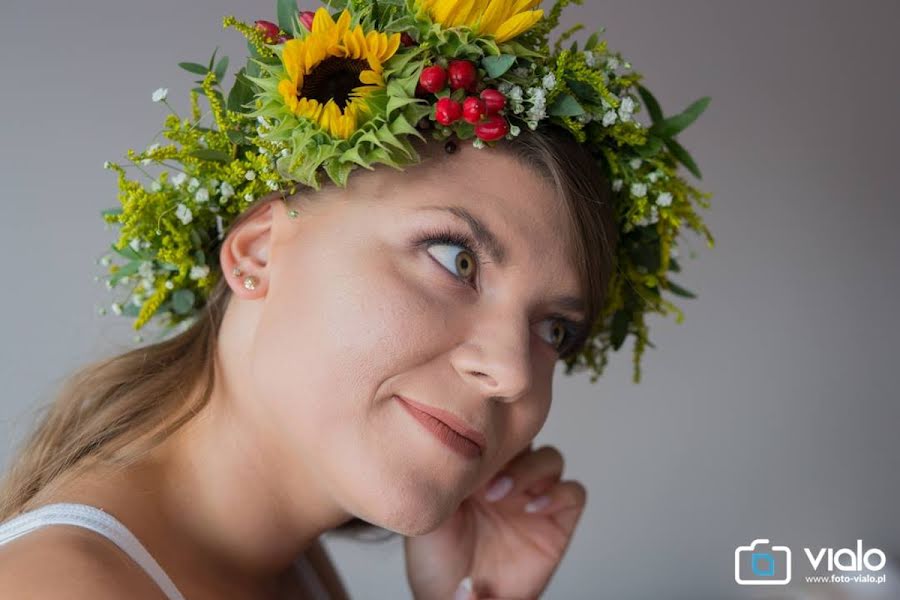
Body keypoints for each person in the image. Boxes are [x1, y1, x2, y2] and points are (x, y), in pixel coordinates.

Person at [0, 1, 713, 598]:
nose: (516, 374)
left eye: (554, 331)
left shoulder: (283, 567)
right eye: (455, 259)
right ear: (257, 252)